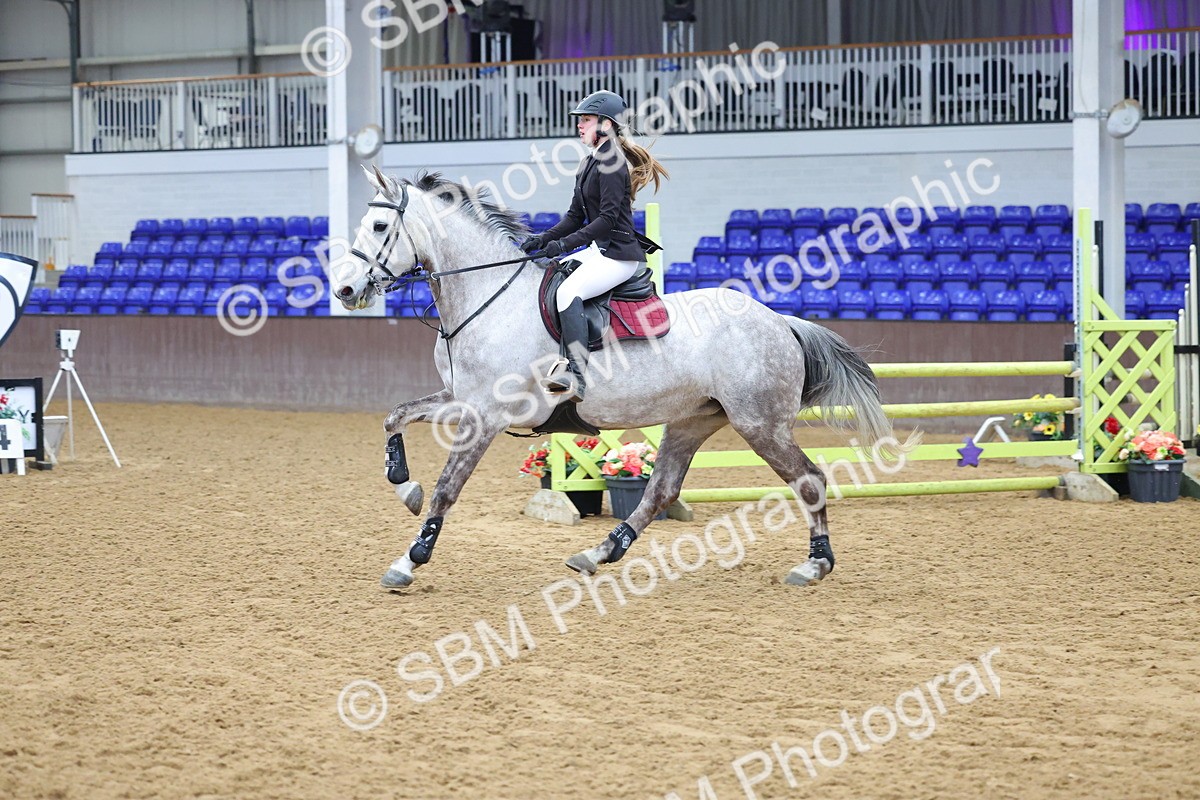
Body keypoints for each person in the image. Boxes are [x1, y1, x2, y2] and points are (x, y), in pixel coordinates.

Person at [521, 90, 669, 403]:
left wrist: (564, 244)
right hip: (598, 251)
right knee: (551, 278)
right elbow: (575, 216)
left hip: (617, 255)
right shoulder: (590, 161)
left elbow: (606, 219)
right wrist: (544, 238)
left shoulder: (612, 162)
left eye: (586, 119)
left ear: (606, 123)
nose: (580, 125)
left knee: (568, 292)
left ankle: (575, 374)